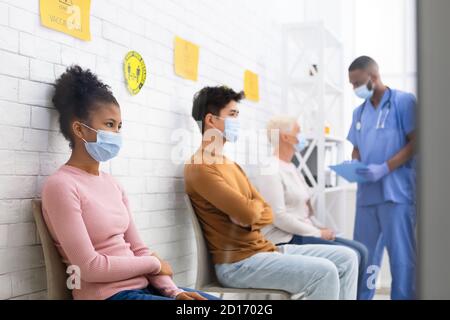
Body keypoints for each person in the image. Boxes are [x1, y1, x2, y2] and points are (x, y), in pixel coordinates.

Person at [42, 65, 218, 300]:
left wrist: (174, 292)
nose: (116, 133)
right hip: (107, 295)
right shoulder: (61, 186)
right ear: (79, 130)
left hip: (144, 287)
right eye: (109, 124)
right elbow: (89, 267)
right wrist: (153, 264)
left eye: (119, 126)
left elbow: (139, 249)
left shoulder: (113, 185)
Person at [184, 86, 359, 300]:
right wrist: (250, 212)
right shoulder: (201, 167)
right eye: (232, 115)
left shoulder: (232, 165)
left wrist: (250, 212)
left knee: (348, 258)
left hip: (265, 251)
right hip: (238, 264)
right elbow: (250, 214)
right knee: (325, 272)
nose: (237, 121)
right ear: (211, 120)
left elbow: (265, 212)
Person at [256, 115, 369, 300]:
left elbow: (304, 209)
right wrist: (317, 233)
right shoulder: (269, 168)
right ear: (284, 137)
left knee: (361, 251)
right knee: (354, 255)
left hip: (304, 232)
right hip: (287, 238)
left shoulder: (291, 167)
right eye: (298, 131)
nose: (301, 136)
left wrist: (319, 228)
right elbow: (278, 216)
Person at [347, 56, 417, 300]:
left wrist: (385, 168)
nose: (354, 88)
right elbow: (356, 147)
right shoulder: (359, 112)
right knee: (366, 259)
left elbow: (416, 141)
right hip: (367, 196)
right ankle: (364, 297)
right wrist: (354, 163)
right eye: (351, 84)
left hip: (397, 194)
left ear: (373, 77)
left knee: (401, 259)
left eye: (356, 83)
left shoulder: (404, 102)